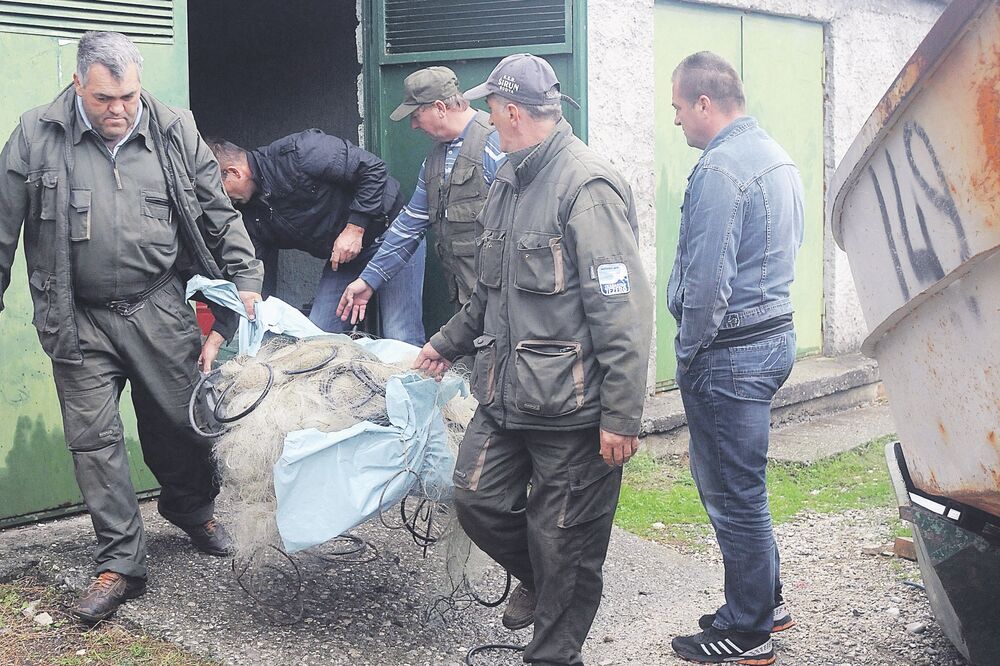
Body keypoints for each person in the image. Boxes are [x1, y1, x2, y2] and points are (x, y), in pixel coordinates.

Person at [0, 31, 263, 623]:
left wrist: (246, 277)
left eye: (128, 96)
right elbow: (2, 223)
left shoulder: (173, 128)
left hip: (158, 306)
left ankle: (191, 509)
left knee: (185, 423)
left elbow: (217, 209)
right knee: (94, 442)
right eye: (103, 99)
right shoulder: (36, 134)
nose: (118, 110)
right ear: (77, 86)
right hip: (76, 315)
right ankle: (121, 560)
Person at [413, 54, 653, 666]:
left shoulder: (586, 187)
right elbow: (489, 295)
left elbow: (622, 312)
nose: (485, 119)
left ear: (511, 112)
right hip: (505, 394)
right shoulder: (508, 183)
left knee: (564, 538)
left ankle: (554, 653)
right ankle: (547, 580)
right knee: (476, 500)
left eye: (490, 108)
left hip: (573, 408)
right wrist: (444, 343)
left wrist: (621, 415)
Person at [666, 51, 804, 665]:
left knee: (731, 493)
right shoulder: (777, 155)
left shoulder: (720, 169)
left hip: (730, 354)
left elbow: (706, 285)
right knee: (746, 486)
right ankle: (764, 604)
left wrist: (688, 354)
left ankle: (745, 630)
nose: (675, 122)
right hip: (773, 340)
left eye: (677, 108)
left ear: (703, 102)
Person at [207, 129, 425, 345]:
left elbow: (373, 169)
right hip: (344, 259)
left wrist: (355, 228)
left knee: (400, 334)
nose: (225, 201)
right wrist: (252, 311)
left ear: (235, 172)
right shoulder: (250, 214)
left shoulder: (300, 151)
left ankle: (414, 379)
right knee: (320, 339)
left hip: (392, 237)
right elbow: (257, 268)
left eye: (221, 191)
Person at [336, 66, 504, 332]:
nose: (413, 126)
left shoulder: (496, 145)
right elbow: (408, 226)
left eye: (416, 115)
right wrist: (369, 280)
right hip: (470, 310)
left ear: (439, 107)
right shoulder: (434, 161)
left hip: (505, 308)